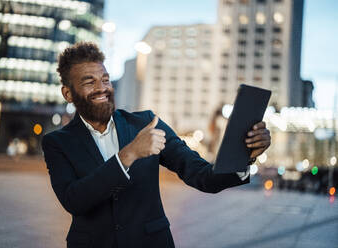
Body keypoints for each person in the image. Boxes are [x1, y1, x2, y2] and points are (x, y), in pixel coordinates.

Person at [41, 42, 271, 248]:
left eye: (105, 79)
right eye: (89, 82)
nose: (102, 88)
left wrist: (245, 154)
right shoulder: (57, 142)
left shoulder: (146, 123)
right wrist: (128, 155)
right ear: (68, 93)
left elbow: (201, 175)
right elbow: (74, 200)